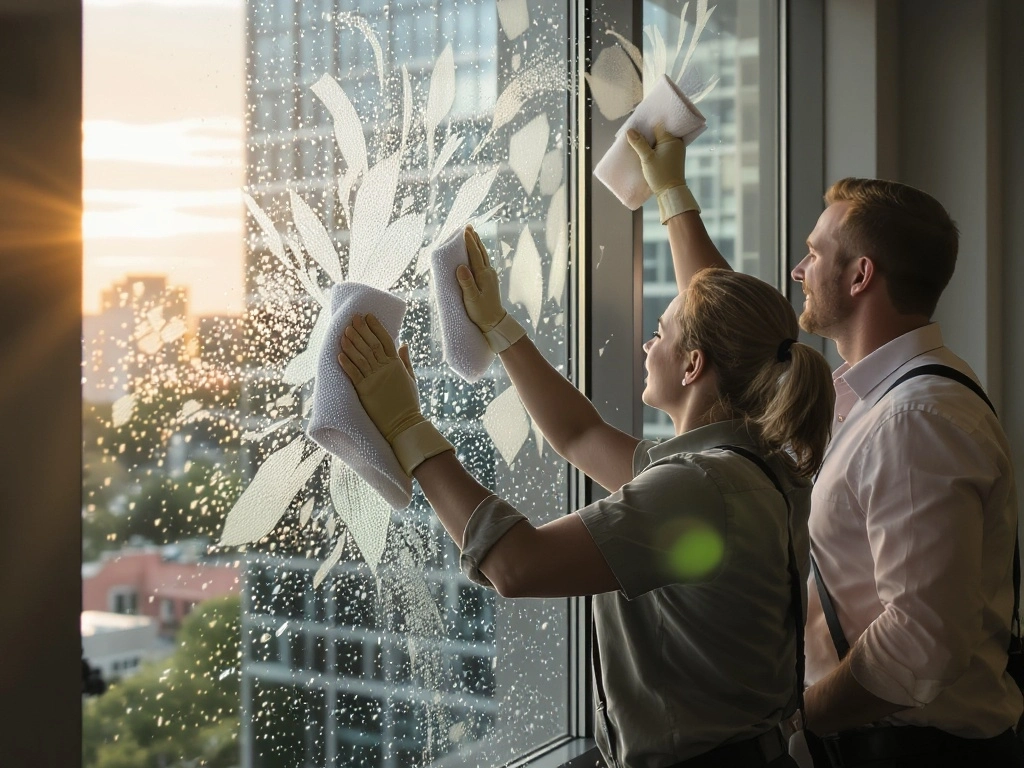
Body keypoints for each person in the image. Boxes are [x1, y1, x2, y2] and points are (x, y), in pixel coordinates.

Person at [334, 219, 835, 767]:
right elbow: (580, 435)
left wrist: (408, 429)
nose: (648, 345)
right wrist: (498, 326)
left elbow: (517, 565)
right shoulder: (752, 467)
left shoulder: (699, 488)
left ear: (693, 365)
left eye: (660, 333)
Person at [628, 127, 1023, 767]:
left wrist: (796, 722)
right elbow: (725, 330)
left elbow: (921, 642)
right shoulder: (875, 396)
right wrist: (671, 193)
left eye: (814, 253)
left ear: (861, 275)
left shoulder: (915, 420)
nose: (798, 269)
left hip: (906, 755)